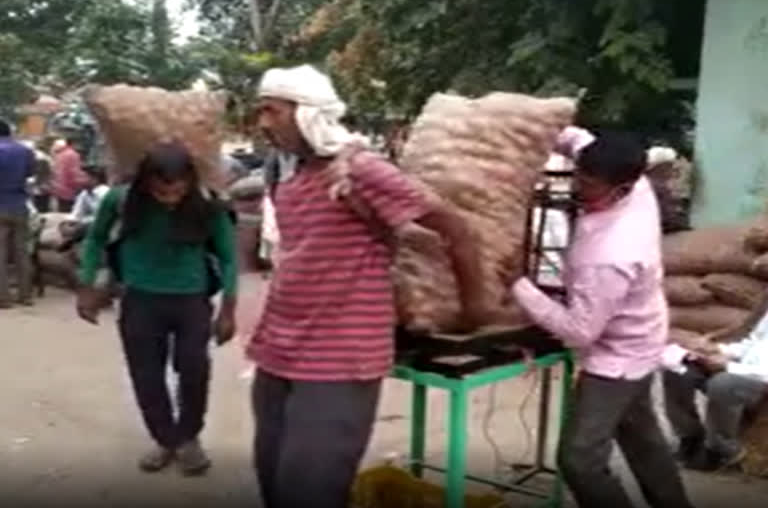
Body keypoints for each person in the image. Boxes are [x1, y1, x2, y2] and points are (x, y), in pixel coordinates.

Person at [247, 64, 491, 508]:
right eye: (259, 111)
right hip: (277, 351)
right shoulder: (292, 177)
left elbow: (453, 226)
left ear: (307, 113)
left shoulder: (359, 170)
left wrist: (475, 307)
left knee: (310, 492)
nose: (262, 123)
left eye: (272, 111)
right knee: (273, 483)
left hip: (339, 358)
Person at [510, 130, 695, 508]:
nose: (578, 185)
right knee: (643, 439)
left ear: (620, 188)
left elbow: (580, 331)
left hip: (618, 356)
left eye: (588, 183)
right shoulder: (635, 183)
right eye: (578, 174)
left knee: (579, 459)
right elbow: (577, 137)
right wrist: (525, 129)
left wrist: (518, 286)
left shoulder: (611, 253)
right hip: (643, 334)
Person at [76, 141, 237, 476]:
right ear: (146, 183)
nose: (170, 199)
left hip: (191, 300)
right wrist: (86, 285)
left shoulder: (207, 205)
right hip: (140, 300)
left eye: (178, 192)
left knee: (194, 370)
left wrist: (228, 309)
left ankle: (189, 436)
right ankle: (165, 439)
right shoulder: (120, 200)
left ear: (189, 183)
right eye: (161, 193)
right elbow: (94, 239)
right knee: (146, 375)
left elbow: (228, 255)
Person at [662, 293, 768, 471]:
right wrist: (717, 350)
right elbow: (753, 343)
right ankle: (690, 436)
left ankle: (722, 449)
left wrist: (728, 366)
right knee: (678, 368)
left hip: (759, 379)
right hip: (740, 367)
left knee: (723, 384)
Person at [0, 120, 35, 308]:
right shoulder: (25, 150)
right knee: (22, 252)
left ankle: (3, 298)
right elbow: (30, 173)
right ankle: (25, 295)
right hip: (20, 204)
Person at [51, 138, 87, 212]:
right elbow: (73, 173)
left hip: (59, 189)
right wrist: (80, 185)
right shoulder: (73, 155)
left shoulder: (60, 154)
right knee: (69, 213)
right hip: (69, 190)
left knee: (61, 211)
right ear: (73, 144)